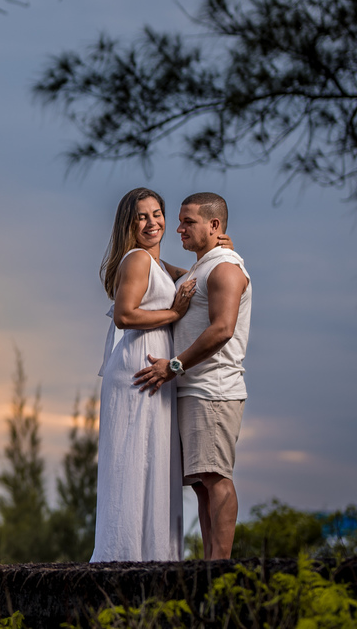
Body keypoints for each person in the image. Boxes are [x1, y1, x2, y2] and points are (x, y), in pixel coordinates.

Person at [134, 192, 251, 560]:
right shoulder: (206, 266)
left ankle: (221, 567)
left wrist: (173, 366)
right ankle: (209, 562)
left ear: (214, 226)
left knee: (215, 478)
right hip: (194, 391)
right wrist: (141, 254)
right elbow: (173, 277)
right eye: (180, 221)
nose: (179, 228)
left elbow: (223, 330)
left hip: (213, 391)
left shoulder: (225, 269)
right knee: (202, 483)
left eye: (189, 222)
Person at [90, 187, 194, 562]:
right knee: (134, 460)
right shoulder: (136, 260)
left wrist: (219, 249)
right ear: (129, 225)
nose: (153, 223)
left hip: (155, 368)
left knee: (153, 458)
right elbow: (125, 315)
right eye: (142, 217)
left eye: (157, 214)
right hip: (139, 367)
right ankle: (126, 552)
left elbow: (193, 274)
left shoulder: (157, 265)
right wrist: (174, 315)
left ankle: (153, 553)